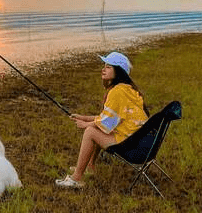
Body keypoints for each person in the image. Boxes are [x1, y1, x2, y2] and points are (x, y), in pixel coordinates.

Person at [54, 51, 149, 188]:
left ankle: (76, 178)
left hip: (131, 146)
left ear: (119, 71)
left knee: (90, 131)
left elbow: (106, 123)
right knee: (94, 128)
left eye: (108, 67)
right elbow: (109, 119)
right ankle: (90, 167)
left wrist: (85, 124)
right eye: (104, 65)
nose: (103, 69)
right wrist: (84, 117)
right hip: (138, 141)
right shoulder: (127, 90)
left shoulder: (117, 92)